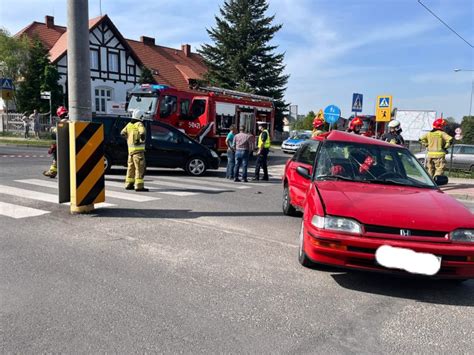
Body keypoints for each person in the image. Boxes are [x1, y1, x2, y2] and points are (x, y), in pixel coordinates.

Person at [121, 109, 148, 191]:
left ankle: (129, 184)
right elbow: (142, 132)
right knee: (140, 168)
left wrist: (129, 139)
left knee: (130, 168)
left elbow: (122, 133)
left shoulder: (129, 125)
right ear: (140, 116)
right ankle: (139, 186)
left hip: (130, 152)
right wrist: (140, 139)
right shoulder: (139, 124)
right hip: (138, 152)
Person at [43, 106, 69, 178]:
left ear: (59, 115)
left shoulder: (62, 122)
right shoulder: (72, 120)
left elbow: (56, 133)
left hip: (65, 145)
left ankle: (53, 171)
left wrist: (52, 129)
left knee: (55, 151)